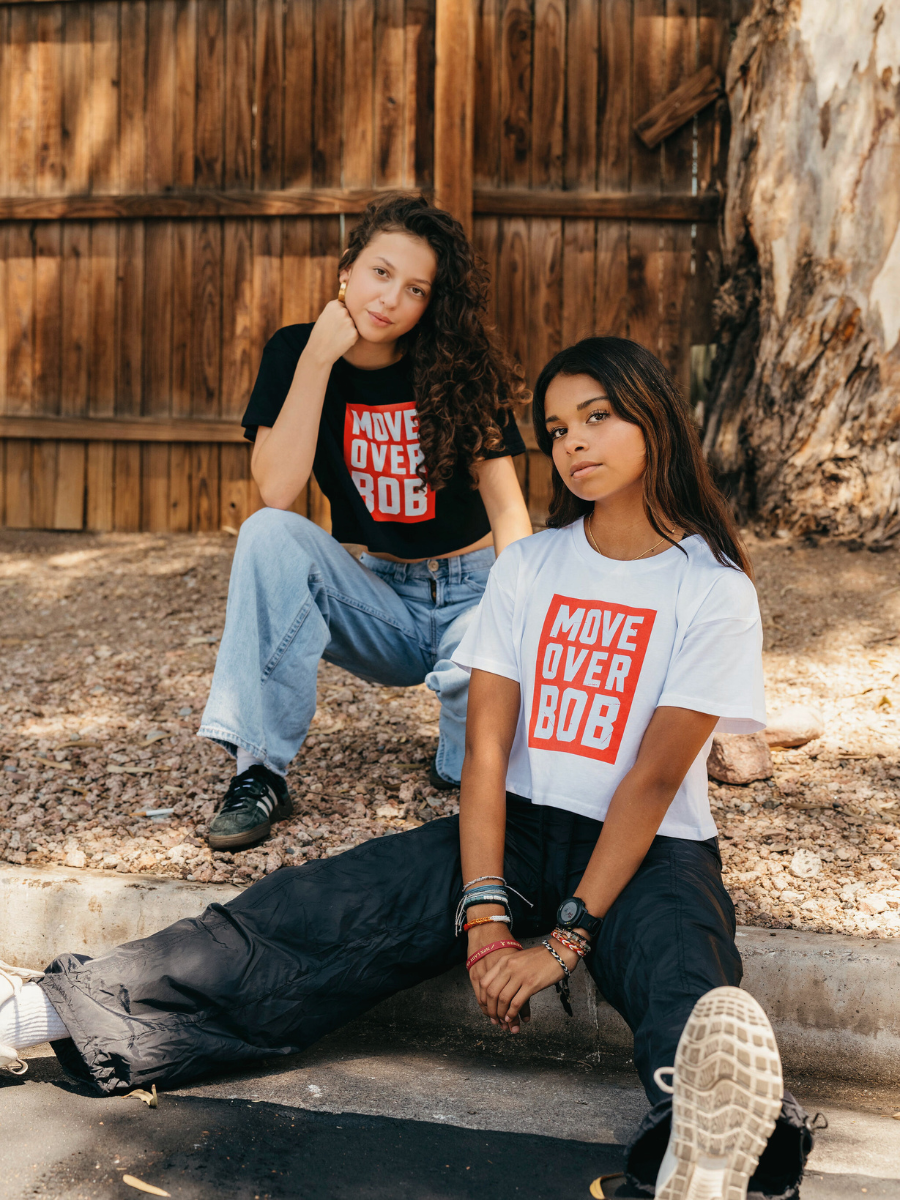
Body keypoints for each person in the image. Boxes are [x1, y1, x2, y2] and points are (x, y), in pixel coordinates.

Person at [0, 338, 814, 1200]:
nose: (574, 442)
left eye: (598, 417)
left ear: (654, 419)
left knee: (682, 975)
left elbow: (652, 783)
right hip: (519, 829)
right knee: (311, 913)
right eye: (557, 427)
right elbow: (488, 752)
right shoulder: (532, 565)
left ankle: (711, 1157)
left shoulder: (711, 585)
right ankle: (38, 1014)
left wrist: (564, 943)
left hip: (651, 849)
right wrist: (488, 914)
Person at [198, 192, 533, 851]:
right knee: (268, 532)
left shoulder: (459, 367)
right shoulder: (295, 352)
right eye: (381, 273)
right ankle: (259, 772)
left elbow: (508, 510)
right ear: (346, 269)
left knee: (469, 775)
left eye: (415, 289)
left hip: (474, 596)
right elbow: (277, 488)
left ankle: (461, 746)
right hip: (378, 598)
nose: (390, 300)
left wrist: (517, 619)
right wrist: (319, 359)